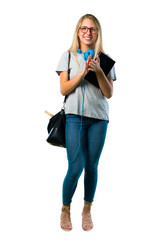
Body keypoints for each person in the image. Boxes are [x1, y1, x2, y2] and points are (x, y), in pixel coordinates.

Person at [56, 13, 116, 231]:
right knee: (76, 165)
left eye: (92, 29)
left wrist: (98, 69)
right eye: (84, 28)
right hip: (74, 117)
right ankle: (65, 209)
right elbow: (63, 88)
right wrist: (82, 71)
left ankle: (87, 209)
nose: (88, 32)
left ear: (97, 32)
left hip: (99, 119)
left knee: (91, 165)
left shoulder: (105, 59)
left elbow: (108, 93)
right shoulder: (68, 56)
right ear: (78, 31)